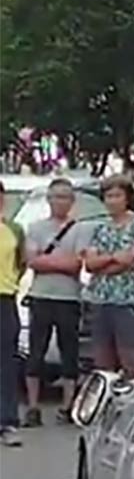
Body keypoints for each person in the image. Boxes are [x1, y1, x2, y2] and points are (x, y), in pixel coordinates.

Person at [23, 178, 86, 426]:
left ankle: (68, 405)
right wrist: (60, 262)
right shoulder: (36, 228)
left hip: (69, 297)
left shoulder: (80, 229)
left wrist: (47, 261)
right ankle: (32, 407)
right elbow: (32, 261)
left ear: (72, 201)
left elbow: (77, 264)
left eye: (65, 197)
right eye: (55, 196)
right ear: (48, 200)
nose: (59, 201)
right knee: (35, 352)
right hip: (41, 296)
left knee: (69, 352)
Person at [83, 175, 134, 379]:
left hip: (126, 300)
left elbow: (127, 262)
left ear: (127, 197)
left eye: (117, 196)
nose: (112, 201)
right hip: (99, 299)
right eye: (108, 196)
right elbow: (90, 264)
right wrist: (112, 257)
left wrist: (104, 263)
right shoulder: (99, 229)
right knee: (102, 358)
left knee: (129, 355)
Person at [0, 181, 26, 446]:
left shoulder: (14, 229)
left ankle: (7, 421)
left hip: (5, 300)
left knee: (6, 363)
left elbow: (22, 263)